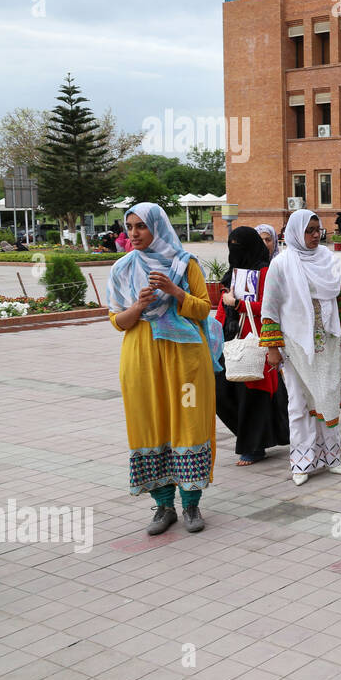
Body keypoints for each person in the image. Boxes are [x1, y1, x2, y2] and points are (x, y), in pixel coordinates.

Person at [108, 203, 224, 535]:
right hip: (141, 359)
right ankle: (163, 507)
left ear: (157, 226)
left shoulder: (184, 264)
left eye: (141, 226)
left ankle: (191, 506)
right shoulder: (122, 269)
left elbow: (204, 309)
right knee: (150, 423)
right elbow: (118, 321)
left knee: (188, 423)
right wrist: (140, 305)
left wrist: (174, 291)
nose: (134, 233)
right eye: (130, 227)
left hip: (185, 361)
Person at [259, 210, 341, 485]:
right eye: (309, 230)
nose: (315, 235)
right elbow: (270, 308)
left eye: (318, 230)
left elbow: (340, 294)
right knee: (299, 403)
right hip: (294, 344)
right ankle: (301, 461)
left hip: (327, 341)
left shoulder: (327, 259)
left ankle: (332, 457)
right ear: (294, 232)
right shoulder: (281, 264)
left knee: (327, 398)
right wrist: (273, 347)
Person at [214, 226, 289, 466]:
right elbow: (221, 307)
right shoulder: (233, 273)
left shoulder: (265, 272)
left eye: (240, 245)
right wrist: (216, 332)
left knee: (253, 394)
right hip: (231, 341)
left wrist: (238, 304)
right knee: (221, 392)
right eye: (232, 245)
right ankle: (250, 437)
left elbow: (270, 307)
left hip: (258, 340)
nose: (235, 250)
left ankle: (254, 447)